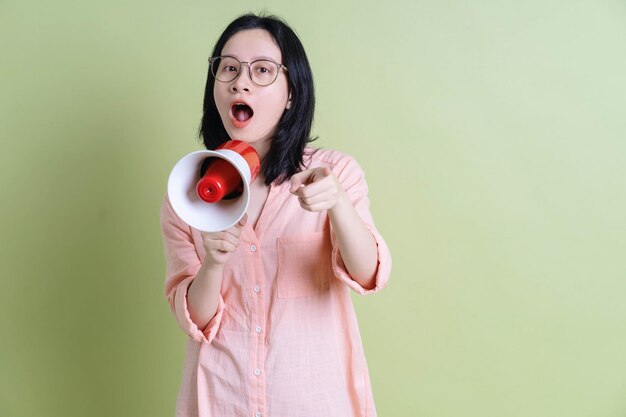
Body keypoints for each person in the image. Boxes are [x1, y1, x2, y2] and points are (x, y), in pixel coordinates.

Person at [160, 13, 392, 417]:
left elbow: (368, 273)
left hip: (316, 402)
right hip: (222, 400)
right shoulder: (188, 192)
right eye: (228, 68)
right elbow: (195, 319)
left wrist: (337, 204)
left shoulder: (334, 174)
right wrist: (213, 265)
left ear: (291, 93)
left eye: (263, 70)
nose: (240, 81)